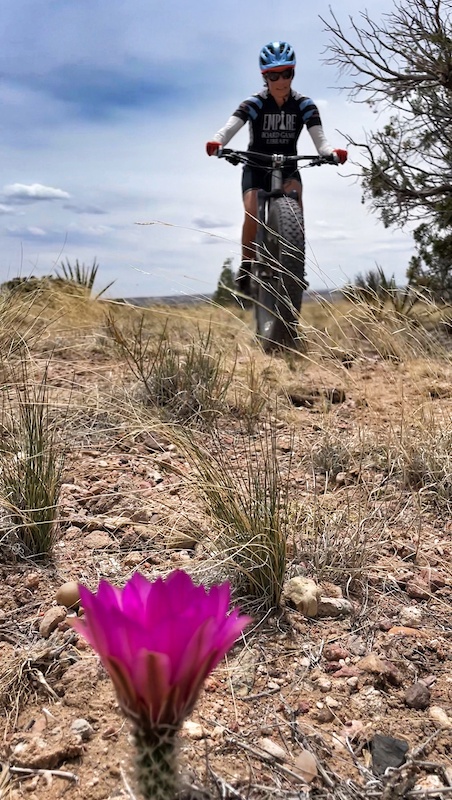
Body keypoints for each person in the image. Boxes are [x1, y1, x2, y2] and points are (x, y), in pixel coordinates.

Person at [206, 41, 347, 295]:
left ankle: (294, 267)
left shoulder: (304, 104)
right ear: (265, 77)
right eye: (274, 75)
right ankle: (248, 265)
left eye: (287, 73)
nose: (281, 80)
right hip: (256, 164)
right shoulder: (256, 102)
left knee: (296, 204)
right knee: (251, 210)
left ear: (293, 73)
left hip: (288, 164)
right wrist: (218, 142)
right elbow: (231, 126)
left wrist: (330, 153)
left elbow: (320, 139)